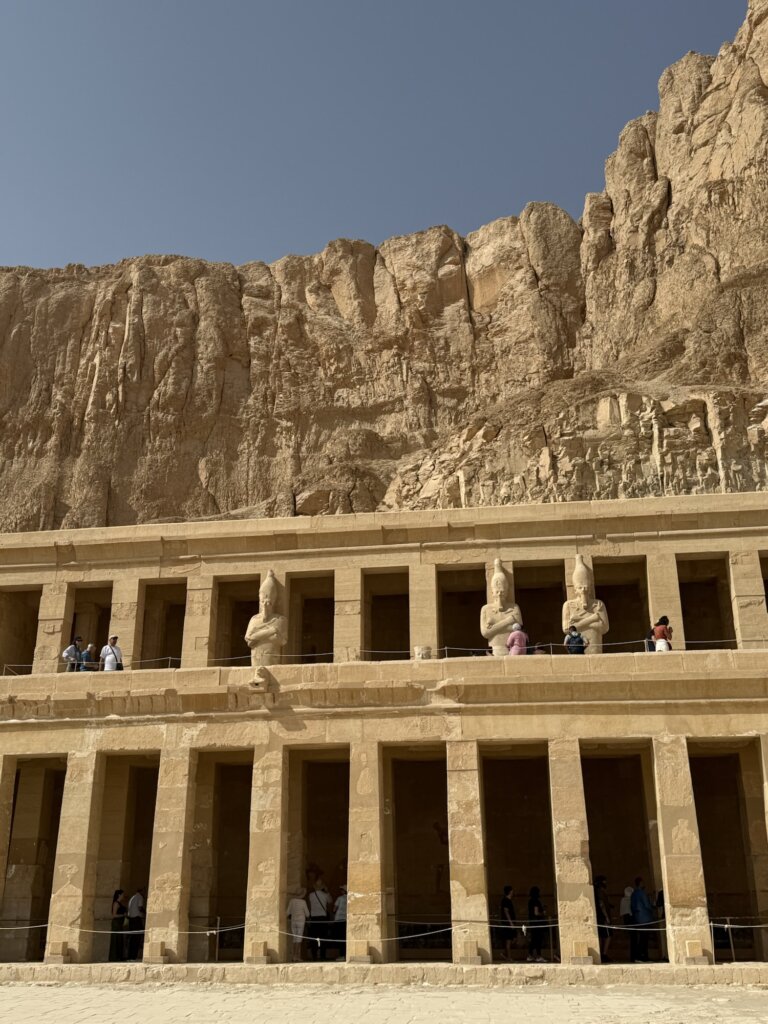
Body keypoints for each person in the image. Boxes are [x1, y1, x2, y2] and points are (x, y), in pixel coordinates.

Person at [305, 871, 331, 961]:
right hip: (323, 918)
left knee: (313, 938)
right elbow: (330, 902)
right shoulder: (325, 895)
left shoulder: (310, 895)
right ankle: (323, 955)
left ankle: (314, 956)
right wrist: (327, 892)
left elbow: (309, 906)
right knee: (323, 938)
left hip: (314, 918)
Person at [630, 877, 655, 962]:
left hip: (637, 918)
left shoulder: (633, 894)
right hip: (644, 918)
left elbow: (632, 906)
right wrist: (652, 908)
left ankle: (641, 956)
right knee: (644, 939)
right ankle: (641, 956)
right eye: (643, 883)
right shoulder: (642, 893)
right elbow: (647, 905)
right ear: (640, 883)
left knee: (641, 938)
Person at [593, 875, 612, 962]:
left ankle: (601, 953)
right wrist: (606, 917)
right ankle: (603, 954)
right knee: (608, 936)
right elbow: (601, 904)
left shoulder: (595, 891)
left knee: (601, 936)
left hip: (598, 917)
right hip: (602, 917)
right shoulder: (600, 891)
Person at [286, 888, 309, 962]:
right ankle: (297, 956)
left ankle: (294, 956)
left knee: (294, 939)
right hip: (301, 921)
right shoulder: (303, 902)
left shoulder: (292, 901)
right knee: (299, 939)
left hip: (293, 921)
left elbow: (288, 912)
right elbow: (307, 914)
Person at [527, 886, 547, 963]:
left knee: (533, 939)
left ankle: (530, 955)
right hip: (537, 923)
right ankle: (538, 956)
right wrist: (543, 913)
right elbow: (536, 913)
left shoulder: (530, 901)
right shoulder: (536, 901)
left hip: (532, 922)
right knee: (538, 940)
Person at [126, 887, 146, 961]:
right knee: (137, 938)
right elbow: (140, 907)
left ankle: (130, 956)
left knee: (132, 938)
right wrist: (146, 912)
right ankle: (133, 956)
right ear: (141, 892)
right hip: (136, 919)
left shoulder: (132, 898)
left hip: (131, 920)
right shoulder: (139, 897)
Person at [108, 889, 128, 962]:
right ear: (119, 895)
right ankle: (114, 957)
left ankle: (119, 956)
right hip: (116, 923)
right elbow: (114, 915)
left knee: (120, 939)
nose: (123, 896)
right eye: (122, 894)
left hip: (120, 923)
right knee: (116, 939)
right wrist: (123, 915)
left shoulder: (120, 903)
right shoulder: (116, 903)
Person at [499, 885, 518, 961]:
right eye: (512, 890)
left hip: (510, 923)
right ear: (510, 891)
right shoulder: (505, 901)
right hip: (507, 924)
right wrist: (511, 923)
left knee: (513, 939)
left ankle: (504, 953)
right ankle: (509, 957)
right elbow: (506, 912)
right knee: (508, 941)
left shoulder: (508, 900)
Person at [619, 885, 636, 962]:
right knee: (633, 938)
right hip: (631, 920)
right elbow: (630, 910)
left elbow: (622, 912)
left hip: (626, 920)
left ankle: (632, 957)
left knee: (632, 938)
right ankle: (633, 957)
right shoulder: (631, 900)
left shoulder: (623, 900)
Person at [331, 884, 347, 961]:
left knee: (340, 938)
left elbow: (334, 909)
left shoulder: (339, 898)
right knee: (345, 938)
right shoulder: (349, 898)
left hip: (339, 920)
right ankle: (345, 954)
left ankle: (342, 955)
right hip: (346, 920)